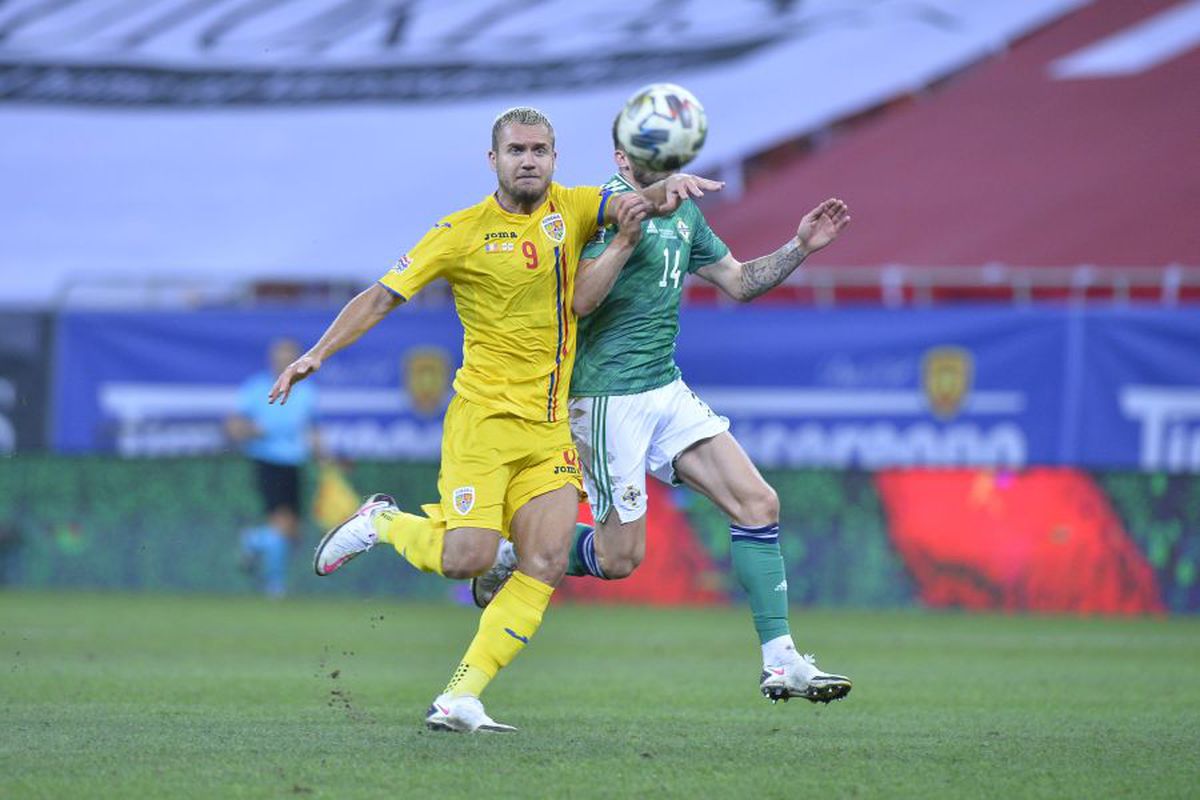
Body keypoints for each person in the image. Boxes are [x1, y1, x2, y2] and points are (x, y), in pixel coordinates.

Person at [268, 106, 722, 733]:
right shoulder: (460, 231)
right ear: (494, 161)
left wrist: (663, 191)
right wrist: (317, 352)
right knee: (466, 561)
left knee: (544, 562)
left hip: (549, 429)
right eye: (517, 151)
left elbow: (629, 206)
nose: (529, 160)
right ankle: (385, 521)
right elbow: (380, 296)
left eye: (539, 150)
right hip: (482, 423)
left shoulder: (576, 205)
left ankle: (460, 696)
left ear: (555, 158)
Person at [472, 112, 853, 705]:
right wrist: (630, 231)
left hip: (664, 389)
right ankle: (510, 553)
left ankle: (781, 663)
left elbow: (740, 282)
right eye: (645, 150)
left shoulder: (688, 213)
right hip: (605, 397)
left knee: (757, 502)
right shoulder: (601, 207)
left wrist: (800, 245)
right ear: (622, 160)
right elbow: (577, 302)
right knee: (621, 558)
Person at [226, 337, 319, 597]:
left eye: (289, 356)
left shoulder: (308, 392)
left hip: (296, 463)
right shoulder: (255, 388)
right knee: (281, 525)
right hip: (268, 461)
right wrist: (250, 430)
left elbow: (313, 429)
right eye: (280, 355)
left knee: (293, 532)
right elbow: (234, 426)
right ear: (271, 358)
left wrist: (325, 458)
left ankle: (253, 541)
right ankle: (274, 586)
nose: (283, 360)